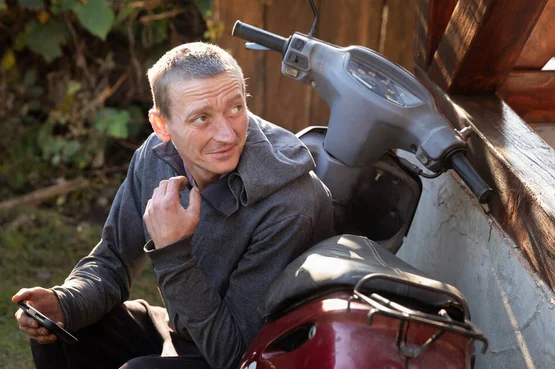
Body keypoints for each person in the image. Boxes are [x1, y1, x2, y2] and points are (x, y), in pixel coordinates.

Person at [13, 42, 334, 369]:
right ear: (162, 126)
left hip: (259, 357)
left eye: (236, 108)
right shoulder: (155, 156)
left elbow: (236, 355)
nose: (226, 134)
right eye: (202, 118)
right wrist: (65, 302)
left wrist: (173, 253)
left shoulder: (290, 203)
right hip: (185, 332)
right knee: (65, 329)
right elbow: (113, 260)